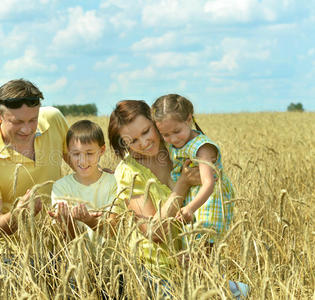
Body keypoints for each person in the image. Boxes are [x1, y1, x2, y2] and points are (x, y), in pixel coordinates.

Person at [108, 100, 249, 299]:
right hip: (157, 271)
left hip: (196, 262)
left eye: (147, 131)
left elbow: (213, 191)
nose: (144, 142)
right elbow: (152, 232)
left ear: (155, 122)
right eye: (133, 140)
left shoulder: (179, 147)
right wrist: (183, 184)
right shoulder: (128, 172)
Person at [0, 79, 69, 255]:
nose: (27, 129)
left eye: (33, 120)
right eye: (17, 122)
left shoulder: (53, 119)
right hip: (12, 256)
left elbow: (84, 166)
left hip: (61, 245)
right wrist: (19, 215)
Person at [151, 94, 234, 244]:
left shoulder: (202, 148)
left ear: (189, 119)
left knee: (204, 244)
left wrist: (190, 207)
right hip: (192, 199)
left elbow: (209, 183)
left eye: (176, 131)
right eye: (166, 135)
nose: (173, 139)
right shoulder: (174, 144)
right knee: (191, 248)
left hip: (209, 200)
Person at [49, 120, 117, 241]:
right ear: (68, 152)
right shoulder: (61, 187)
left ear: (102, 150)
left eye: (89, 153)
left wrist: (90, 221)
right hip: (76, 259)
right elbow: (68, 239)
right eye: (76, 154)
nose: (82, 161)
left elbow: (113, 231)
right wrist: (68, 221)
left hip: (112, 258)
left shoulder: (114, 183)